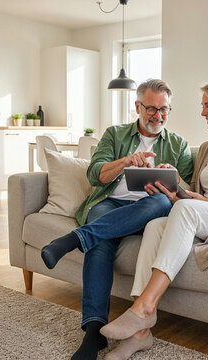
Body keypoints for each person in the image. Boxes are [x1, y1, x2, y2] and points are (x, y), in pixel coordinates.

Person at [99, 78, 208, 360]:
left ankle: (144, 308)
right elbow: (196, 192)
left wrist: (206, 202)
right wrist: (175, 181)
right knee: (156, 224)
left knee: (185, 211)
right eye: (203, 106)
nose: (203, 112)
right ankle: (140, 335)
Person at [40, 79, 193, 360]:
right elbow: (94, 174)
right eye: (151, 108)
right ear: (137, 106)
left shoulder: (178, 145)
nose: (158, 116)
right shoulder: (115, 134)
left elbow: (187, 195)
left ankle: (76, 238)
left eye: (164, 110)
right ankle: (93, 332)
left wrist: (174, 178)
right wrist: (125, 162)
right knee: (102, 242)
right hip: (110, 205)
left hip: (151, 209)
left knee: (158, 200)